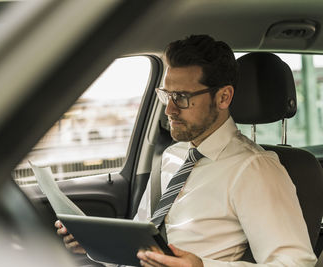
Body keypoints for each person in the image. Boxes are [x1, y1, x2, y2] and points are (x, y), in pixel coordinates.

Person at [56, 35, 317, 266]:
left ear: (223, 97)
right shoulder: (172, 156)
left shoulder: (255, 169)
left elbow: (295, 263)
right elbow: (140, 241)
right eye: (166, 95)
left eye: (181, 97)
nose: (169, 109)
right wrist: (97, 244)